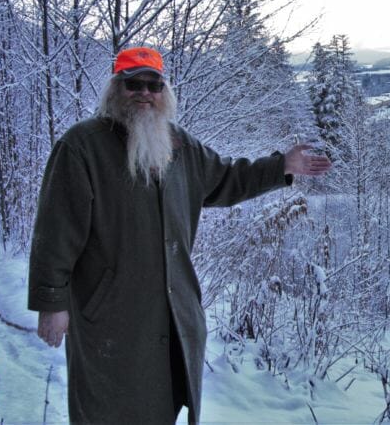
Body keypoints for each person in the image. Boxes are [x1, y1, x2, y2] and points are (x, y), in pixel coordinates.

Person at [27, 47, 331, 423]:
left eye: (154, 85)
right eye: (133, 84)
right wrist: (51, 302)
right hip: (109, 318)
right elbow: (56, 229)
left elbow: (227, 178)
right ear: (115, 89)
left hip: (173, 314)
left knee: (163, 405)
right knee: (107, 409)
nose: (144, 93)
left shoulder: (179, 146)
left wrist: (280, 166)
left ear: (164, 91)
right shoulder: (81, 147)